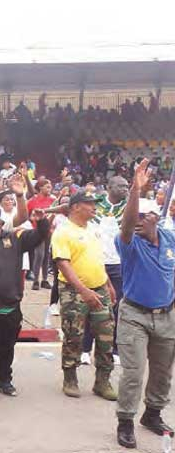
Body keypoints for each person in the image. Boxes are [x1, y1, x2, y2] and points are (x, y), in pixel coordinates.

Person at [114, 159, 175, 449]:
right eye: (134, 217)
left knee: (163, 372)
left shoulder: (170, 239)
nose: (136, 221)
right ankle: (125, 421)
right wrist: (134, 191)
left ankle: (152, 414)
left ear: (155, 219)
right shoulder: (128, 241)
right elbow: (126, 226)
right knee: (134, 372)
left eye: (142, 217)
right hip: (134, 314)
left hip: (166, 315)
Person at [0, 205, 49, 403]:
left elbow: (41, 235)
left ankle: (3, 379)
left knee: (7, 346)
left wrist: (41, 220)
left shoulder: (15, 239)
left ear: (1, 224)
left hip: (11, 305)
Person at [51, 189, 117, 400]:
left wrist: (107, 283)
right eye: (90, 204)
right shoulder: (63, 231)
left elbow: (97, 260)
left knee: (106, 336)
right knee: (74, 336)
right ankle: (70, 377)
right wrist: (83, 291)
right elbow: (63, 263)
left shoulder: (93, 229)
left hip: (99, 289)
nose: (94, 207)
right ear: (76, 206)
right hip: (74, 292)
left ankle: (102, 381)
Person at [81, 175, 129, 366]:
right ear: (109, 187)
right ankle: (85, 349)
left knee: (116, 309)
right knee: (91, 306)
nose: (125, 188)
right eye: (121, 185)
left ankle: (114, 350)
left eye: (127, 185)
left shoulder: (129, 206)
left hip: (118, 264)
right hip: (95, 262)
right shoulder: (95, 203)